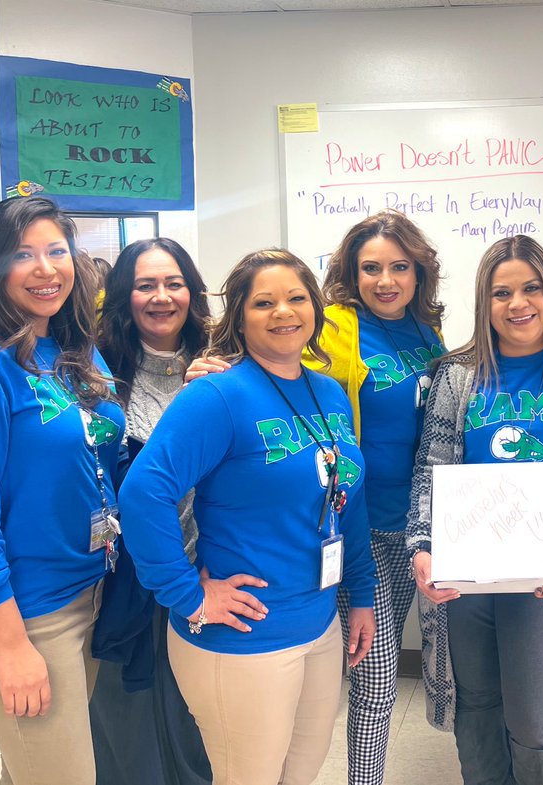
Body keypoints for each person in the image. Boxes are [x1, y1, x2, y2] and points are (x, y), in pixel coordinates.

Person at [187, 209, 446, 785]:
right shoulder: (333, 326)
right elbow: (277, 365)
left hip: (410, 524)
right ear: (350, 275)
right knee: (373, 677)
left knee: (377, 671)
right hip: (349, 521)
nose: (386, 280)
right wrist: (217, 371)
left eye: (400, 267)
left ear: (418, 272)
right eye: (371, 268)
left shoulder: (430, 335)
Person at [119, 248, 377, 785]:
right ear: (238, 316)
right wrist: (186, 594)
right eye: (264, 302)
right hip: (243, 635)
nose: (283, 312)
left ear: (315, 310)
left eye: (296, 298)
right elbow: (144, 494)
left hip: (319, 623)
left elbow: (345, 499)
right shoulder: (216, 395)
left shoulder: (326, 391)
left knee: (300, 772)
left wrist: (364, 596)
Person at [407, 235, 543, 785]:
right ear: (485, 303)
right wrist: (422, 547)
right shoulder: (458, 374)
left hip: (542, 582)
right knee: (476, 707)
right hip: (468, 577)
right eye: (501, 292)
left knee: (534, 717)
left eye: (530, 288)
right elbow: (431, 467)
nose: (517, 303)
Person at [0, 195, 125, 785]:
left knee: (31, 771)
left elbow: (99, 454)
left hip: (87, 593)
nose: (46, 269)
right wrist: (10, 646)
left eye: (57, 251)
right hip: (25, 614)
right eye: (22, 255)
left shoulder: (62, 352)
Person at [90, 238, 213, 784]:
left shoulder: (222, 365)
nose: (161, 297)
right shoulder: (94, 371)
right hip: (126, 580)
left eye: (173, 283)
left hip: (210, 567)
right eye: (145, 285)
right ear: (124, 295)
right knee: (127, 722)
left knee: (198, 719)